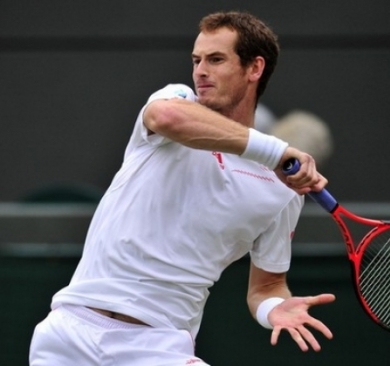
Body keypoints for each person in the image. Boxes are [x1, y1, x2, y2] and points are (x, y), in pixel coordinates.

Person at [29, 11, 335, 366]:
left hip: (157, 346)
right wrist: (277, 150)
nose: (200, 70)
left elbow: (265, 287)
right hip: (69, 332)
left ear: (255, 69)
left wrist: (274, 308)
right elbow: (167, 118)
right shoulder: (176, 102)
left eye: (216, 60)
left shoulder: (283, 188)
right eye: (196, 60)